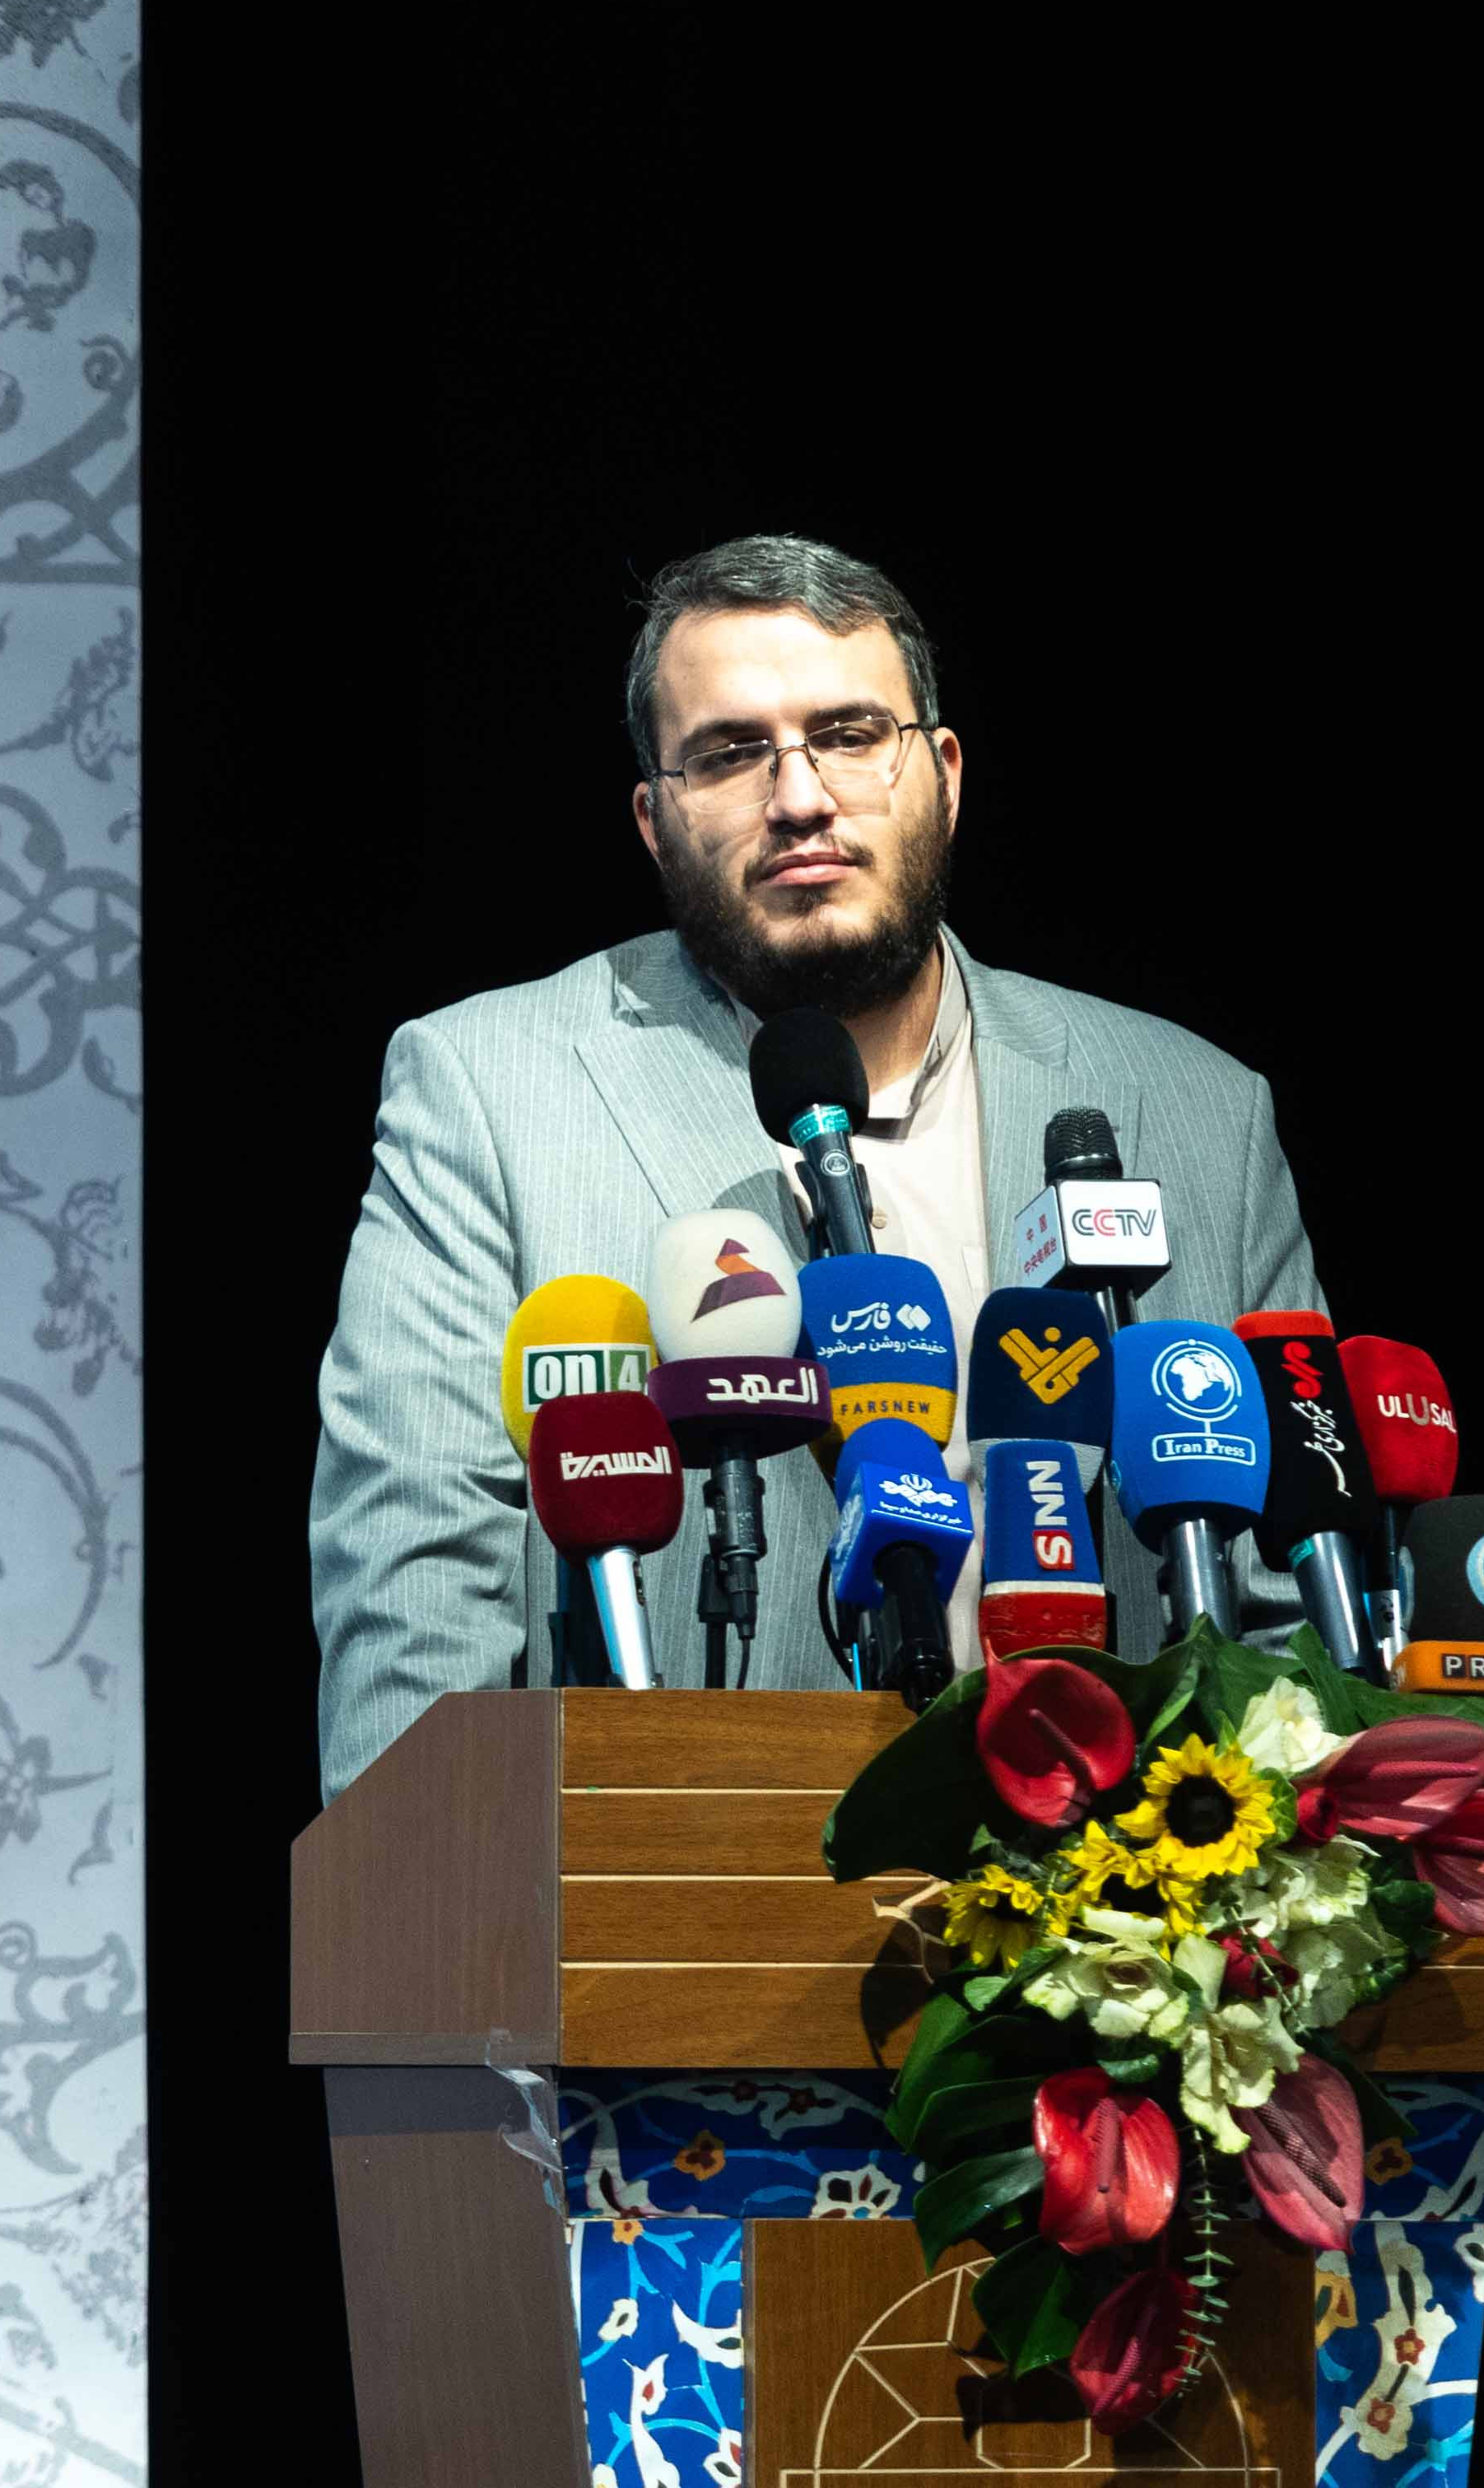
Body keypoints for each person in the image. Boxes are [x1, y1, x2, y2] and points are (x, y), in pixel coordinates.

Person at [305, 533, 1325, 1804]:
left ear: (942, 774)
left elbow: (1291, 1613)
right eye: (729, 754)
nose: (798, 796)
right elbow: (413, 1597)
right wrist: (439, 1901)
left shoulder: (1198, 1111)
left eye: (849, 735)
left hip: (1131, 1882)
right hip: (686, 1884)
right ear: (654, 820)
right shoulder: (490, 1092)